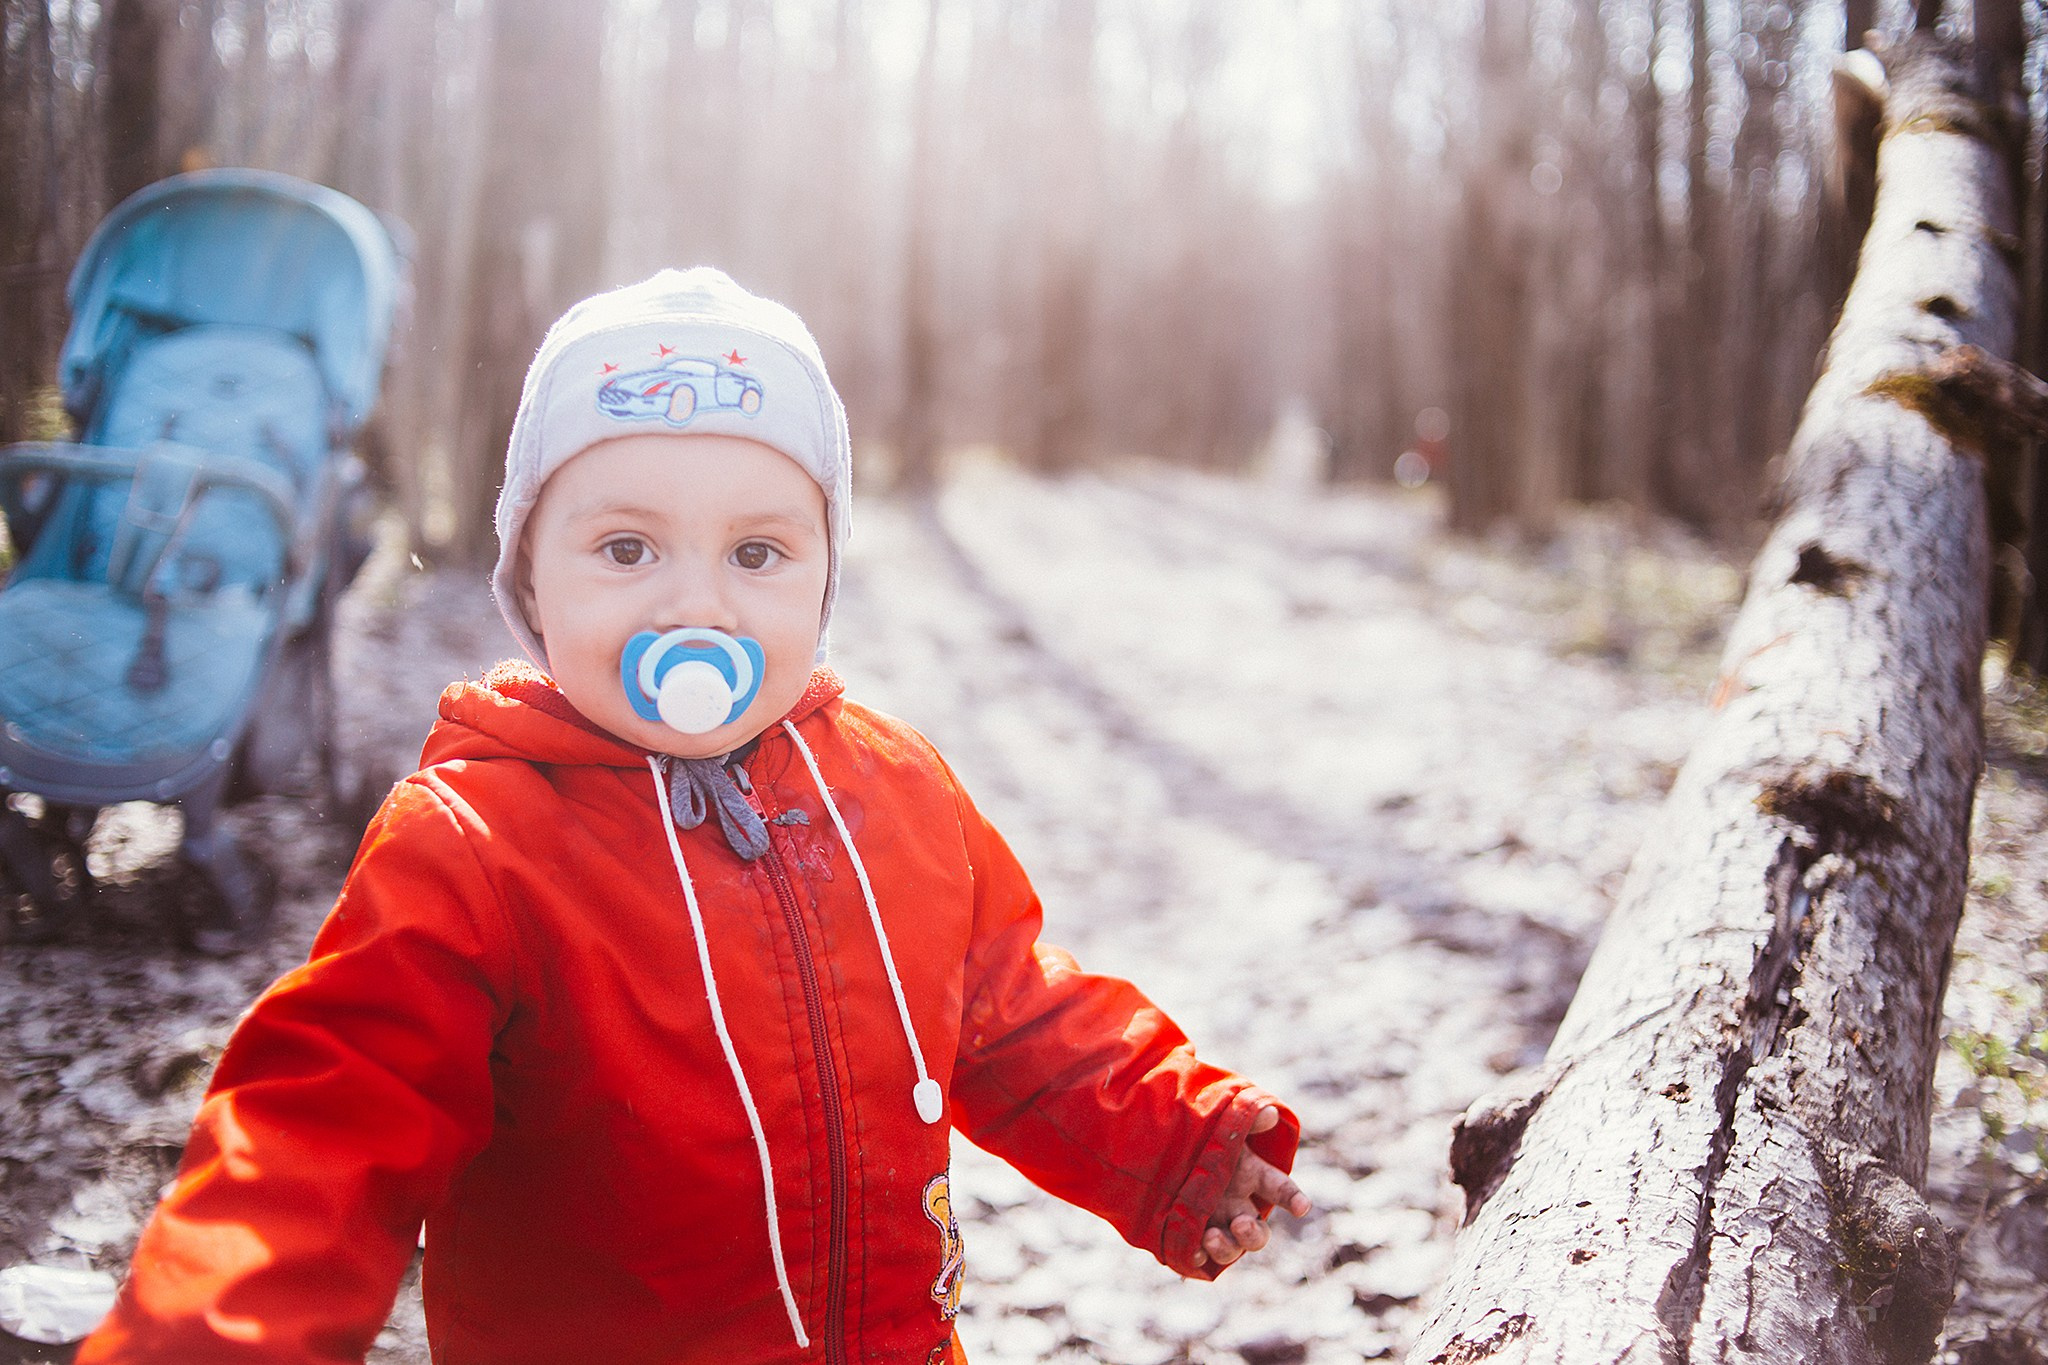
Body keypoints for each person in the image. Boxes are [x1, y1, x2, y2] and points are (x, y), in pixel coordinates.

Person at [79, 269, 1308, 1364]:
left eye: (758, 555)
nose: (695, 606)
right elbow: (321, 1129)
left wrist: (1177, 1140)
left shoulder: (895, 791)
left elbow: (1009, 1015)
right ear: (529, 584)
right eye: (624, 548)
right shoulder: (475, 847)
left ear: (824, 576)